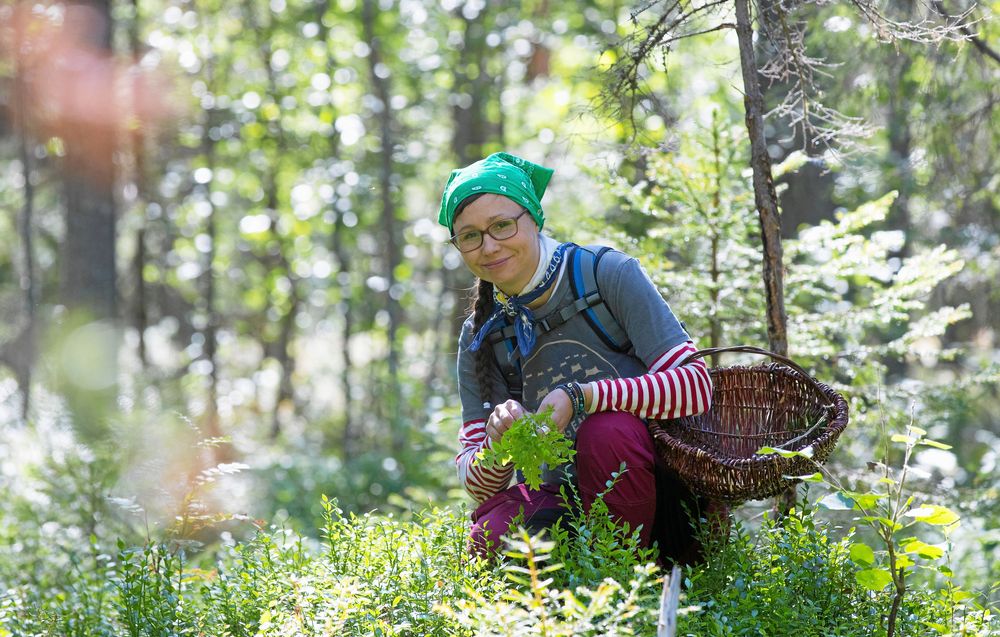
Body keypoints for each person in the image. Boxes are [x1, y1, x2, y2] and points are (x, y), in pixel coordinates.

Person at [440, 152, 719, 560]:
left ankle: (626, 578)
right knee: (489, 535)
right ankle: (576, 592)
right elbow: (478, 484)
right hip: (562, 498)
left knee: (607, 431)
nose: (489, 246)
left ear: (534, 218)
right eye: (470, 236)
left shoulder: (606, 274)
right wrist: (497, 445)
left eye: (502, 225)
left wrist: (583, 396)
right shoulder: (480, 334)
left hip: (662, 497)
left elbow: (696, 387)